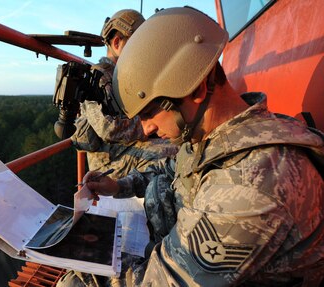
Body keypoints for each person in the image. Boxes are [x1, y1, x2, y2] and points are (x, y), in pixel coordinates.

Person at [58, 7, 324, 287]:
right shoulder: (211, 136)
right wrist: (120, 185)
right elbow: (171, 169)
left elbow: (159, 282)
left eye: (149, 113)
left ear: (196, 89)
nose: (147, 129)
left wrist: (86, 269)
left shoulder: (251, 185)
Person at [71, 9, 178, 179]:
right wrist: (150, 123)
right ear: (116, 43)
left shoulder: (125, 74)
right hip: (109, 160)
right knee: (176, 152)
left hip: (130, 147)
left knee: (183, 142)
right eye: (137, 46)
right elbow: (108, 129)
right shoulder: (98, 76)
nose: (142, 53)